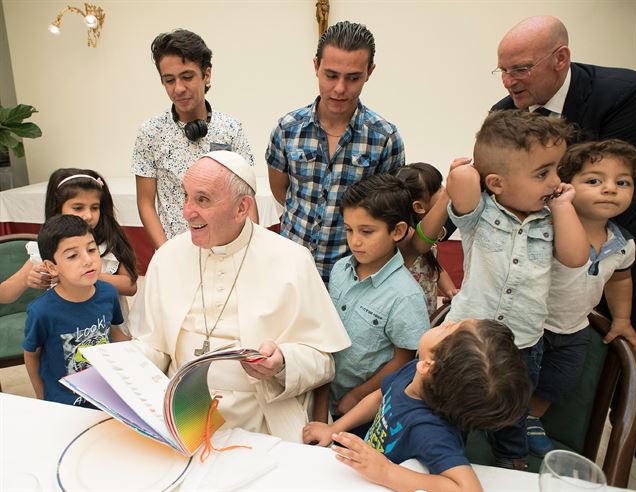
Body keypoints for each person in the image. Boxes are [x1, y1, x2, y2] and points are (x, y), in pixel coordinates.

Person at [128, 150, 351, 442]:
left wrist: (282, 361)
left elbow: (323, 362)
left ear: (241, 208)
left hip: (262, 415)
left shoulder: (292, 260)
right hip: (184, 409)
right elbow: (152, 345)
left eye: (202, 200)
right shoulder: (168, 257)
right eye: (186, 197)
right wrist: (121, 365)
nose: (187, 212)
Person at [445, 110, 589, 469]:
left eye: (557, 169)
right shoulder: (480, 213)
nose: (555, 181)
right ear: (495, 183)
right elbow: (462, 179)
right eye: (543, 173)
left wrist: (562, 206)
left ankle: (511, 460)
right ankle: (449, 456)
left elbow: (575, 257)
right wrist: (467, 168)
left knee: (513, 411)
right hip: (467, 338)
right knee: (452, 404)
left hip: (522, 342)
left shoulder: (553, 216)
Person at [491, 14, 636, 332]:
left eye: (520, 69)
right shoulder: (503, 113)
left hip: (615, 261)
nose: (508, 81)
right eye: (503, 70)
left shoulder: (623, 95)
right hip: (542, 281)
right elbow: (488, 184)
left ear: (560, 58)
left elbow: (617, 190)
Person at [303, 319, 531, 492]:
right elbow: (379, 397)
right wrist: (333, 429)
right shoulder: (416, 370)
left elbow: (469, 489)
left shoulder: (431, 431)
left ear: (429, 367)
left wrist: (387, 472)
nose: (448, 321)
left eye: (448, 329)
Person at [266, 20, 405, 283]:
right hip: (291, 269)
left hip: (353, 277)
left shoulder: (384, 138)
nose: (340, 88)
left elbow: (387, 212)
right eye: (331, 75)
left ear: (369, 72)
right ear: (316, 67)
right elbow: (280, 191)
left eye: (353, 78)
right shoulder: (287, 129)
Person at [526, 139, 636, 456]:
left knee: (560, 380)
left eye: (622, 182)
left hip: (575, 327)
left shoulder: (622, 243)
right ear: (565, 186)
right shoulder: (546, 228)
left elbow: (620, 279)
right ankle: (505, 418)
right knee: (516, 375)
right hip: (532, 322)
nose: (610, 189)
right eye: (594, 180)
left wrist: (622, 319)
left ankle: (532, 417)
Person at [319, 174, 428, 425]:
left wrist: (358, 395)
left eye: (367, 231)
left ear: (398, 231)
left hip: (366, 407)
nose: (355, 241)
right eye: (349, 230)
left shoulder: (405, 295)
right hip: (326, 390)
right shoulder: (339, 269)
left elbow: (404, 359)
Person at [132, 28, 256, 249]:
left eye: (187, 77)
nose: (178, 88)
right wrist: (166, 252)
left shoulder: (231, 129)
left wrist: (250, 250)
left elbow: (247, 196)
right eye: (169, 80)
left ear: (206, 75)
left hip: (226, 248)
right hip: (176, 250)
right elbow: (145, 203)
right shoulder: (150, 133)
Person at [1, 169, 137, 322]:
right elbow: (4, 294)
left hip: (109, 326)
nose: (88, 215)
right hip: (66, 330)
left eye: (94, 207)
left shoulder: (110, 240)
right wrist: (26, 279)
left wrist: (87, 275)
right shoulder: (46, 248)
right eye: (78, 208)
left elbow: (130, 287)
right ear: (58, 209)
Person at [23, 215, 127, 407]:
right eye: (73, 256)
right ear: (51, 267)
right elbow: (31, 355)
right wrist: (41, 398)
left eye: (91, 249)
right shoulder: (42, 311)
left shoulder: (109, 293)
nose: (88, 261)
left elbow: (113, 332)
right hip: (65, 403)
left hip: (108, 393)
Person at [393, 163, 459, 316]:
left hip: (426, 313)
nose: (443, 191)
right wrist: (449, 193)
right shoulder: (406, 238)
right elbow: (421, 243)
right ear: (419, 207)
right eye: (439, 188)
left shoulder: (429, 230)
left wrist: (450, 291)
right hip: (407, 315)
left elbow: (433, 266)